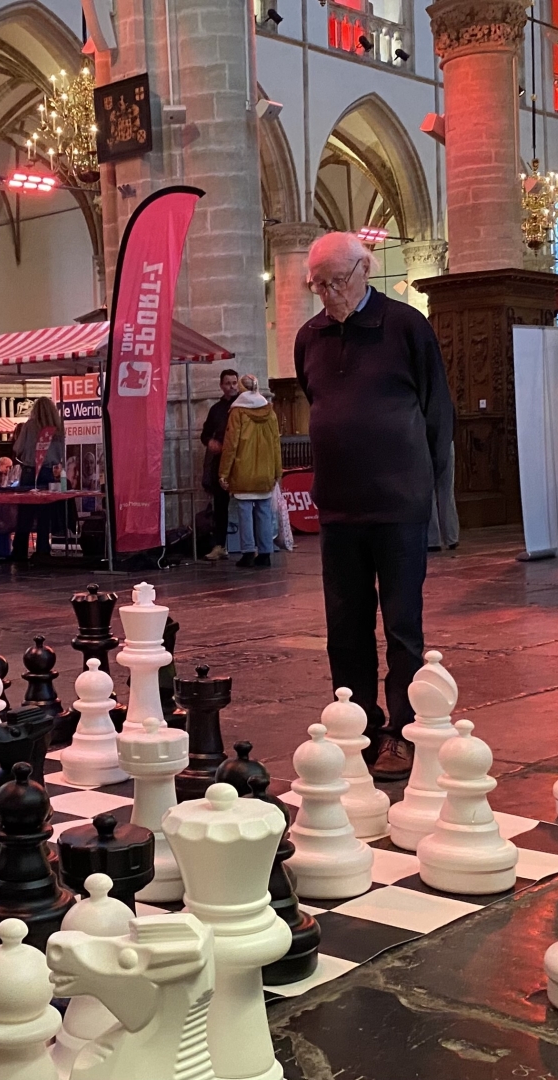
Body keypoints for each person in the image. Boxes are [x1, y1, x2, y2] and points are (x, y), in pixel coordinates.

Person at [294, 231, 451, 782]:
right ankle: (356, 726)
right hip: (338, 508)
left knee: (403, 625)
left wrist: (432, 497)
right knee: (345, 626)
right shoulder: (309, 336)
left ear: (366, 269)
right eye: (317, 284)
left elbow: (437, 414)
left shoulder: (406, 325)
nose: (326, 294)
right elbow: (319, 402)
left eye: (335, 282)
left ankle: (402, 734)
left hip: (399, 506)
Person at [219, 373, 280, 568]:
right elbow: (276, 443)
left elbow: (231, 445)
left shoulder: (237, 412)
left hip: (243, 471)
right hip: (265, 471)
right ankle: (265, 553)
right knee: (264, 513)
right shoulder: (269, 411)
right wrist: (277, 471)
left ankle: (248, 553)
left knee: (245, 513)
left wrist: (224, 473)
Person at [10, 397, 66, 563]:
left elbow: (18, 448)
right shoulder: (58, 429)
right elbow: (60, 455)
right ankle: (42, 550)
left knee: (25, 514)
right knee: (44, 515)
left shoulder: (29, 426)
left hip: (29, 472)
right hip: (48, 473)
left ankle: (19, 551)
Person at [198, 368, 241, 559]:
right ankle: (219, 545)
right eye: (228, 383)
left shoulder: (244, 405)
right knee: (220, 506)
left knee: (247, 505)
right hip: (221, 462)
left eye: (234, 382)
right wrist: (210, 442)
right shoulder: (216, 409)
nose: (231, 387)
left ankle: (252, 545)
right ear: (221, 385)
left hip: (242, 461)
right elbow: (205, 434)